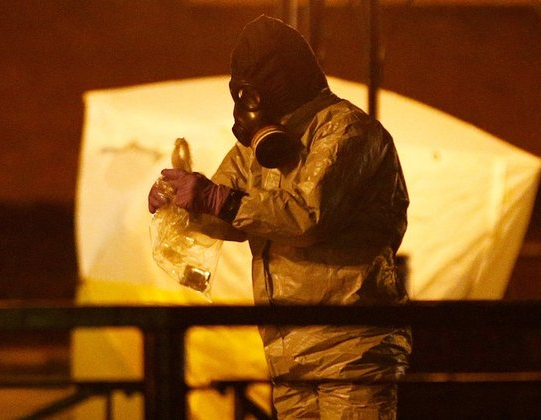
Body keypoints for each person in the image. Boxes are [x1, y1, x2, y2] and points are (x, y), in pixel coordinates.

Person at [148, 15, 411, 419]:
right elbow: (226, 213)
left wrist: (219, 199)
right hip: (288, 349)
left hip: (351, 345)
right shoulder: (260, 144)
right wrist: (186, 203)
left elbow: (309, 216)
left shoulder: (346, 131)